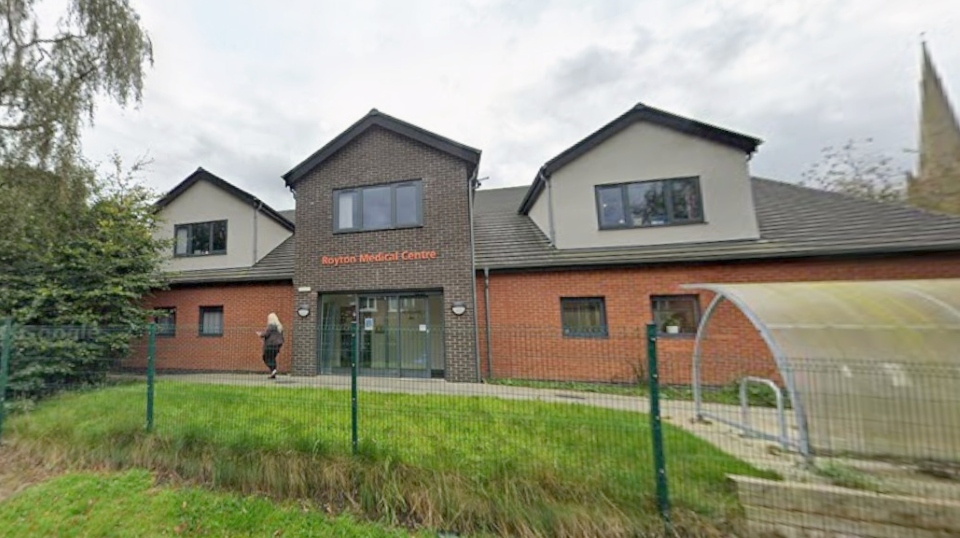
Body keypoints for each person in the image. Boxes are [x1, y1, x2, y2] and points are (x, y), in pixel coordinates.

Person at [256, 313, 284, 379]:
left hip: (270, 345)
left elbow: (266, 334)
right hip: (278, 345)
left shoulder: (271, 326)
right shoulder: (280, 327)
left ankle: (273, 370)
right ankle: (273, 372)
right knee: (272, 358)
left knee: (265, 357)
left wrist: (260, 334)